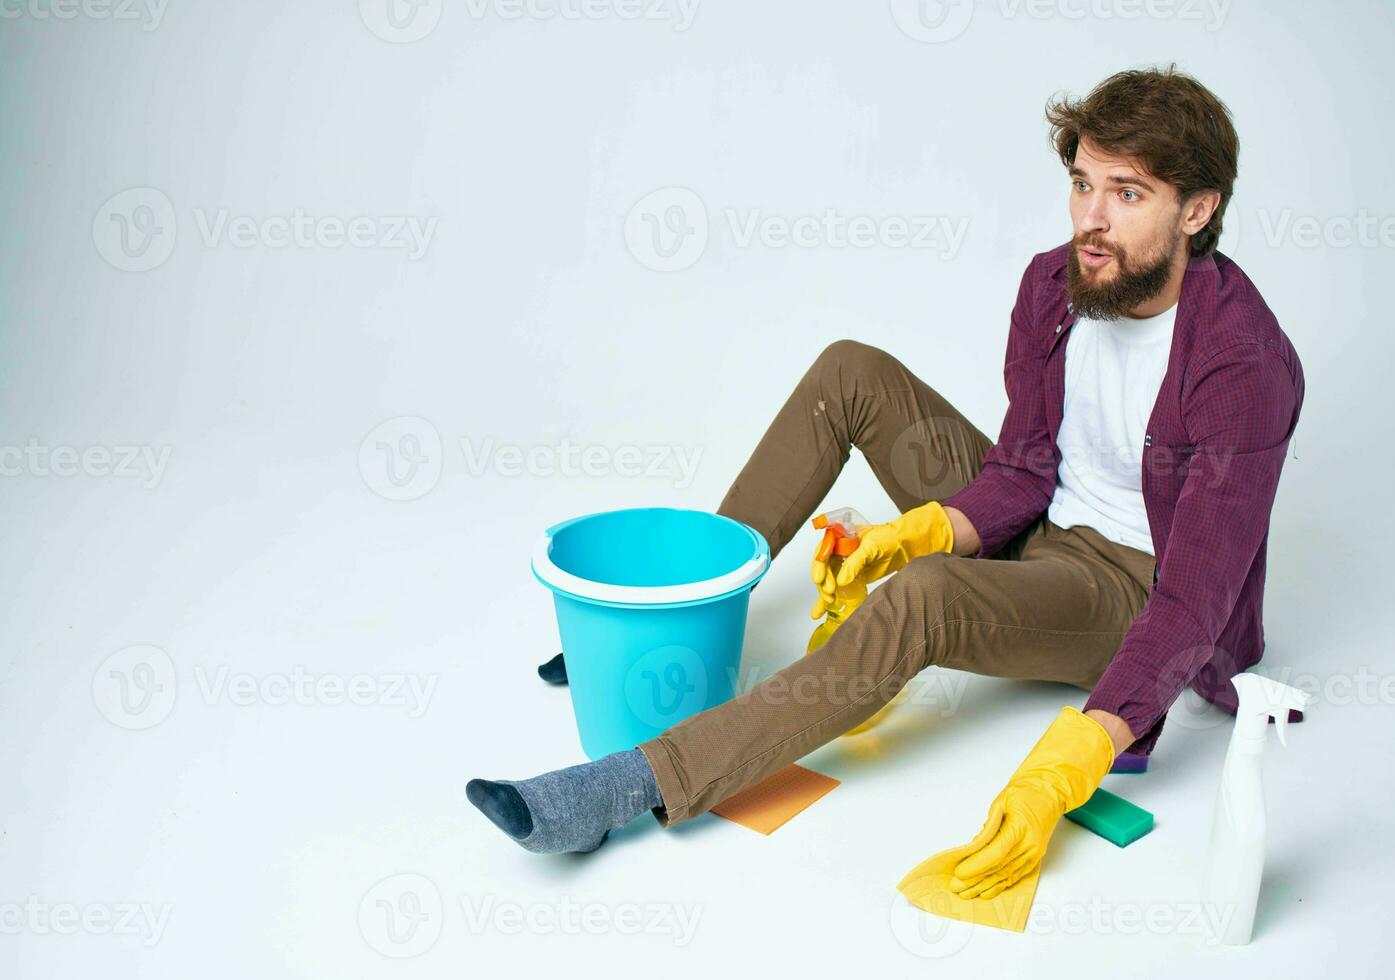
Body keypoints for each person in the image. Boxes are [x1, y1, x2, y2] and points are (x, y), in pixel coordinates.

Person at [465, 65, 1305, 899]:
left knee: (925, 597)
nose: (1091, 219)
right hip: (1041, 524)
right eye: (1083, 183)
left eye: (1128, 195)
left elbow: (1193, 599)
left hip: (1129, 592)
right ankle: (674, 621)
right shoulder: (1056, 284)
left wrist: (1074, 758)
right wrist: (929, 525)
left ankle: (630, 785)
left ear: (1197, 210)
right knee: (851, 373)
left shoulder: (1243, 367)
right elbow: (1021, 467)